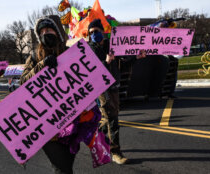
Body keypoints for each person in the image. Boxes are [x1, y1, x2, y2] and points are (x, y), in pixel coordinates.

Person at [20, 15, 102, 174]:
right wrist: (41, 66)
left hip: (71, 122)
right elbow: (23, 83)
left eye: (49, 29)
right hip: (46, 123)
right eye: (42, 31)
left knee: (65, 166)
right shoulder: (35, 57)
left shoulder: (71, 52)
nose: (45, 33)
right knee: (62, 168)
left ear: (57, 32)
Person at [88, 19, 146, 164]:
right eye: (91, 33)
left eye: (96, 31)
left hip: (114, 86)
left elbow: (122, 65)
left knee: (110, 116)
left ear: (103, 31)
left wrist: (136, 58)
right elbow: (91, 71)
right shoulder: (89, 49)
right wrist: (105, 62)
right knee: (112, 118)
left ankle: (95, 133)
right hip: (101, 88)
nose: (94, 34)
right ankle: (115, 152)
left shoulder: (112, 46)